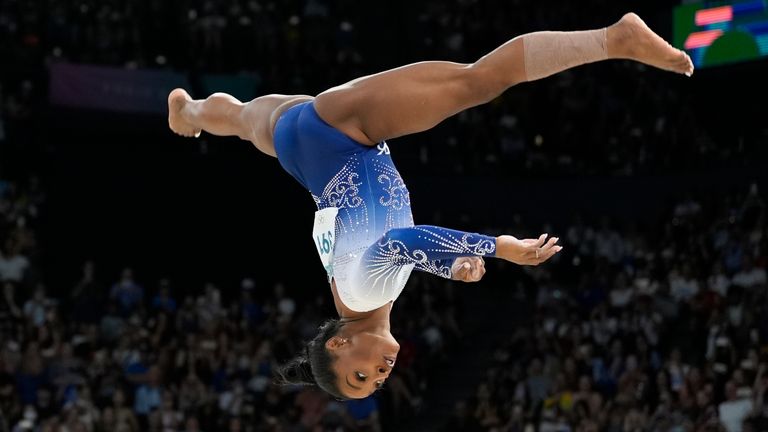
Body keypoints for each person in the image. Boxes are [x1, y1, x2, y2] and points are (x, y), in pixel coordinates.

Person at [167, 13, 693, 399]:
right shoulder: (357, 294)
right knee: (239, 121)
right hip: (297, 149)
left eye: (360, 374)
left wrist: (495, 248)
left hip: (342, 135)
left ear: (337, 345)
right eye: (374, 383)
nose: (378, 375)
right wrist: (450, 262)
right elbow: (402, 249)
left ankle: (613, 39)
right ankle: (188, 111)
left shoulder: (362, 292)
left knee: (478, 81)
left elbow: (401, 242)